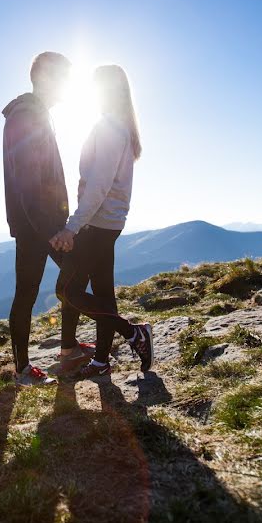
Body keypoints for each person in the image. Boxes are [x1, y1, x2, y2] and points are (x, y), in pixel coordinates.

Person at [50, 65, 153, 379]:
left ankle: (134, 334)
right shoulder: (121, 126)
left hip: (96, 223)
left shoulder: (110, 128)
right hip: (109, 222)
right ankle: (101, 361)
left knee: (66, 290)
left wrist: (73, 225)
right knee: (103, 292)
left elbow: (98, 185)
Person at [2, 52, 95, 387]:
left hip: (42, 223)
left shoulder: (35, 114)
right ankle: (24, 369)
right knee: (30, 292)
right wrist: (52, 231)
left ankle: (66, 350)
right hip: (37, 226)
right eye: (63, 78)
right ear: (43, 78)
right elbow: (27, 183)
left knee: (70, 275)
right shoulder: (26, 115)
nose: (67, 87)